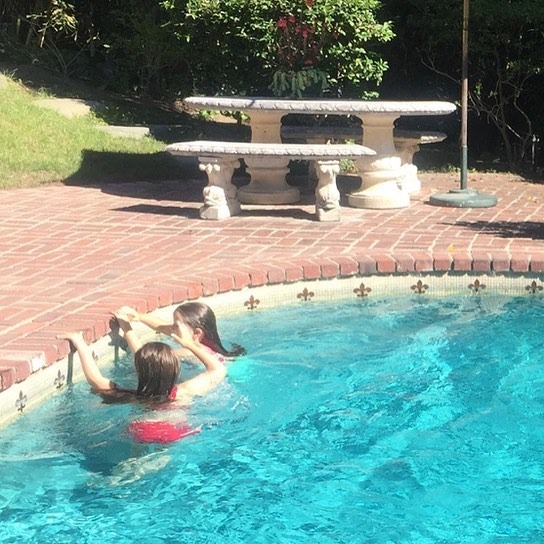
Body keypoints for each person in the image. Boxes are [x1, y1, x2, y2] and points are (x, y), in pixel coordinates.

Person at [58, 310, 227, 443]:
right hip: (174, 433)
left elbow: (95, 379)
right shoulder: (183, 392)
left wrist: (79, 342)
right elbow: (217, 370)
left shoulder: (134, 396)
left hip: (142, 430)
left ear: (139, 371)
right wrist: (189, 344)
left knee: (137, 458)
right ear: (176, 369)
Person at [117, 301, 246, 360]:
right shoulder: (206, 341)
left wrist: (126, 328)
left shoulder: (189, 352)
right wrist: (139, 317)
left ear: (197, 333)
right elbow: (162, 326)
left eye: (176, 325)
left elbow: (144, 358)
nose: (171, 327)